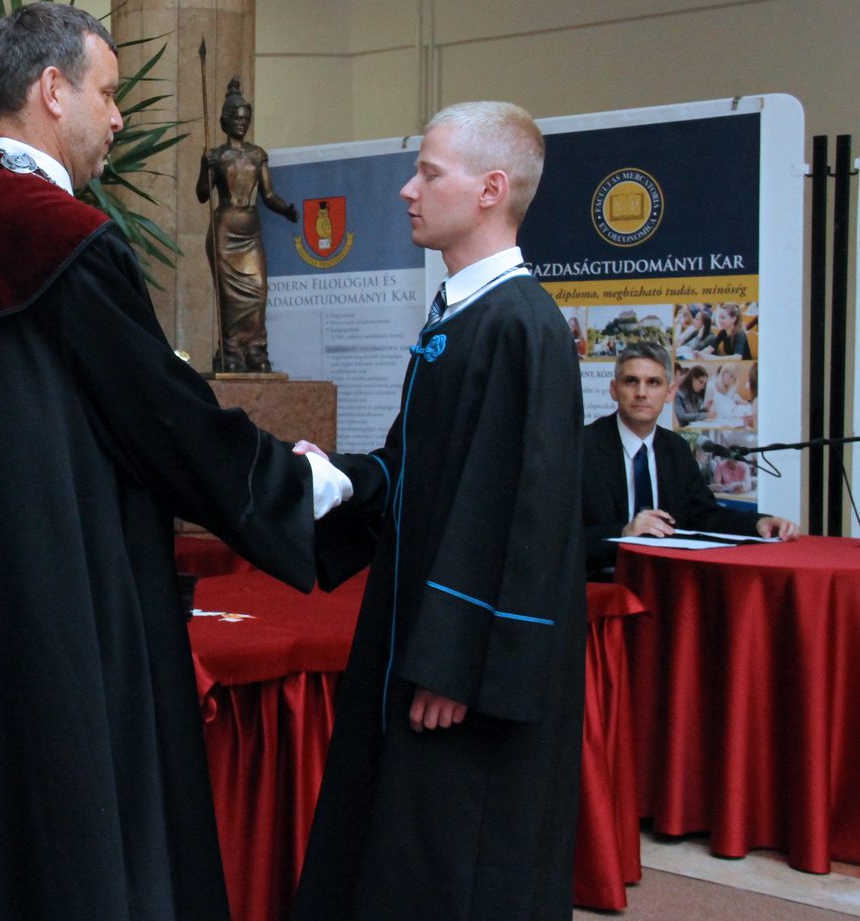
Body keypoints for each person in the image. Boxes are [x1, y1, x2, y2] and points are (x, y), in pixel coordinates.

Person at [0, 1, 348, 921]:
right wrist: (296, 483)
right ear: (52, 90)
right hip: (56, 607)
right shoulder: (61, 236)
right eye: (108, 94)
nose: (118, 118)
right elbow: (164, 417)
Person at [290, 102, 586, 920]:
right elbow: (417, 469)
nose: (406, 190)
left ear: (491, 189)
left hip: (462, 674)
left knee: (455, 864)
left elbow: (521, 514)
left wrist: (455, 664)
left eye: (428, 172)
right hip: (416, 645)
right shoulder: (460, 314)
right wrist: (337, 478)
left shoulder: (522, 325)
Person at [581, 344, 800, 579]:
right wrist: (623, 533)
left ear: (670, 393)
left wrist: (758, 523)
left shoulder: (676, 449)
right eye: (631, 381)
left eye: (653, 383)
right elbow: (557, 534)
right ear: (614, 390)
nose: (641, 393)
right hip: (600, 584)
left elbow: (705, 516)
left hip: (669, 582)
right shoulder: (580, 448)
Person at [196, 76, 297, 372]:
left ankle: (255, 351)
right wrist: (205, 168)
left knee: (257, 292)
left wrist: (287, 210)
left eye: (245, 119)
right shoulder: (216, 156)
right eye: (237, 119)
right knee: (229, 298)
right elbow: (202, 195)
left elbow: (269, 195)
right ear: (224, 121)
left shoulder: (257, 154)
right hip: (225, 230)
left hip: (250, 230)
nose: (242, 123)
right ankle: (231, 353)